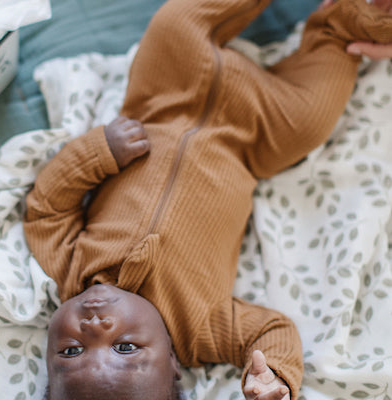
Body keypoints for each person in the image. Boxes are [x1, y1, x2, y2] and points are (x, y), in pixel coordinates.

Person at [23, 0, 392, 399]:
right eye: (124, 347)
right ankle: (353, 16)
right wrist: (277, 378)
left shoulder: (69, 271)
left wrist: (99, 152)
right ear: (173, 364)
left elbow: (46, 210)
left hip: (165, 96)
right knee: (314, 113)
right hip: (255, 137)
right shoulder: (202, 330)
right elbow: (272, 330)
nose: (94, 326)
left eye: (71, 350)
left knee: (175, 23)